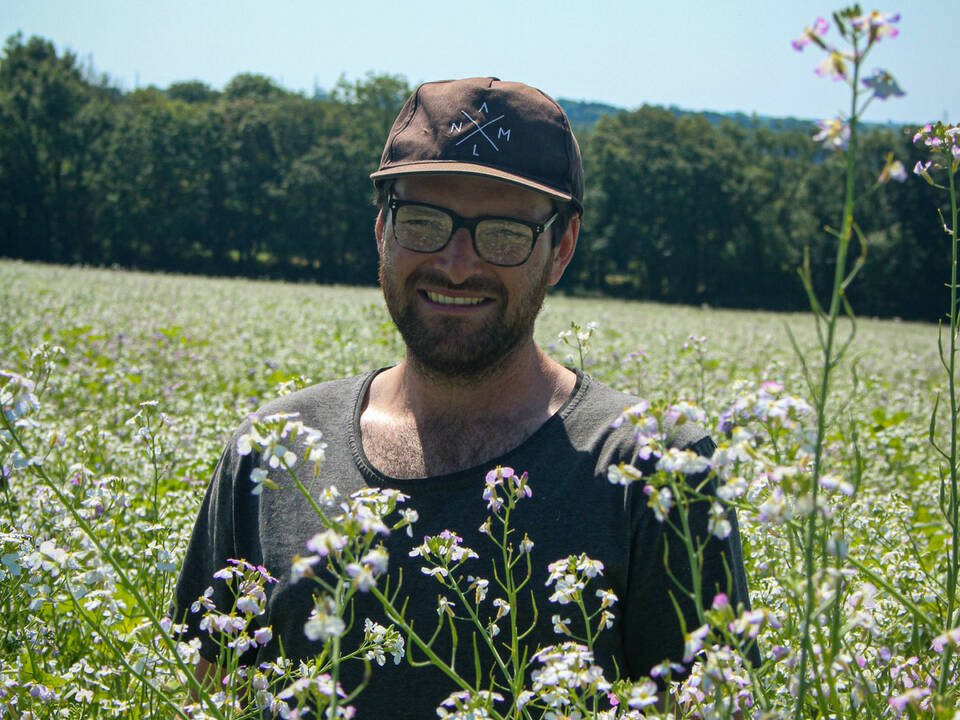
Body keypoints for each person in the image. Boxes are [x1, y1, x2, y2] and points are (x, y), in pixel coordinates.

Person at [173, 77, 756, 717]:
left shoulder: (656, 465)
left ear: (561, 248)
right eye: (424, 221)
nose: (455, 264)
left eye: (503, 232)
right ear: (381, 230)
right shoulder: (270, 450)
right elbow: (211, 693)